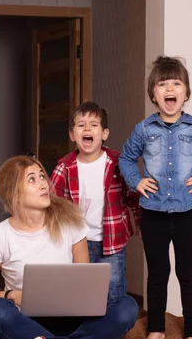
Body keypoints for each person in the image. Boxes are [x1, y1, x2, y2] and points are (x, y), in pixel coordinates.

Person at [0, 155, 138, 339]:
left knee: (127, 307)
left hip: (70, 320)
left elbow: (84, 281)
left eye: (42, 176)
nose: (43, 183)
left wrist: (89, 299)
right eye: (32, 179)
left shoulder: (71, 224)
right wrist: (13, 295)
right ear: (13, 193)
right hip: (24, 322)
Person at [119, 56, 192, 339]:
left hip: (187, 212)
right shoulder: (143, 129)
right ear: (153, 94)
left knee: (188, 273)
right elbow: (126, 159)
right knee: (157, 274)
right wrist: (136, 181)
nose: (170, 89)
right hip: (152, 212)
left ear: (186, 93)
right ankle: (156, 330)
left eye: (176, 83)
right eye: (162, 84)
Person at [50, 101, 140, 304]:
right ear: (73, 135)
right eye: (81, 125)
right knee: (80, 291)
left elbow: (133, 196)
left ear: (104, 134)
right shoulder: (64, 167)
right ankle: (85, 331)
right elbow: (52, 204)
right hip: (77, 242)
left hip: (112, 240)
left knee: (113, 289)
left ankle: (117, 332)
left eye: (94, 125)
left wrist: (142, 225)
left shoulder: (118, 163)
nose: (87, 128)